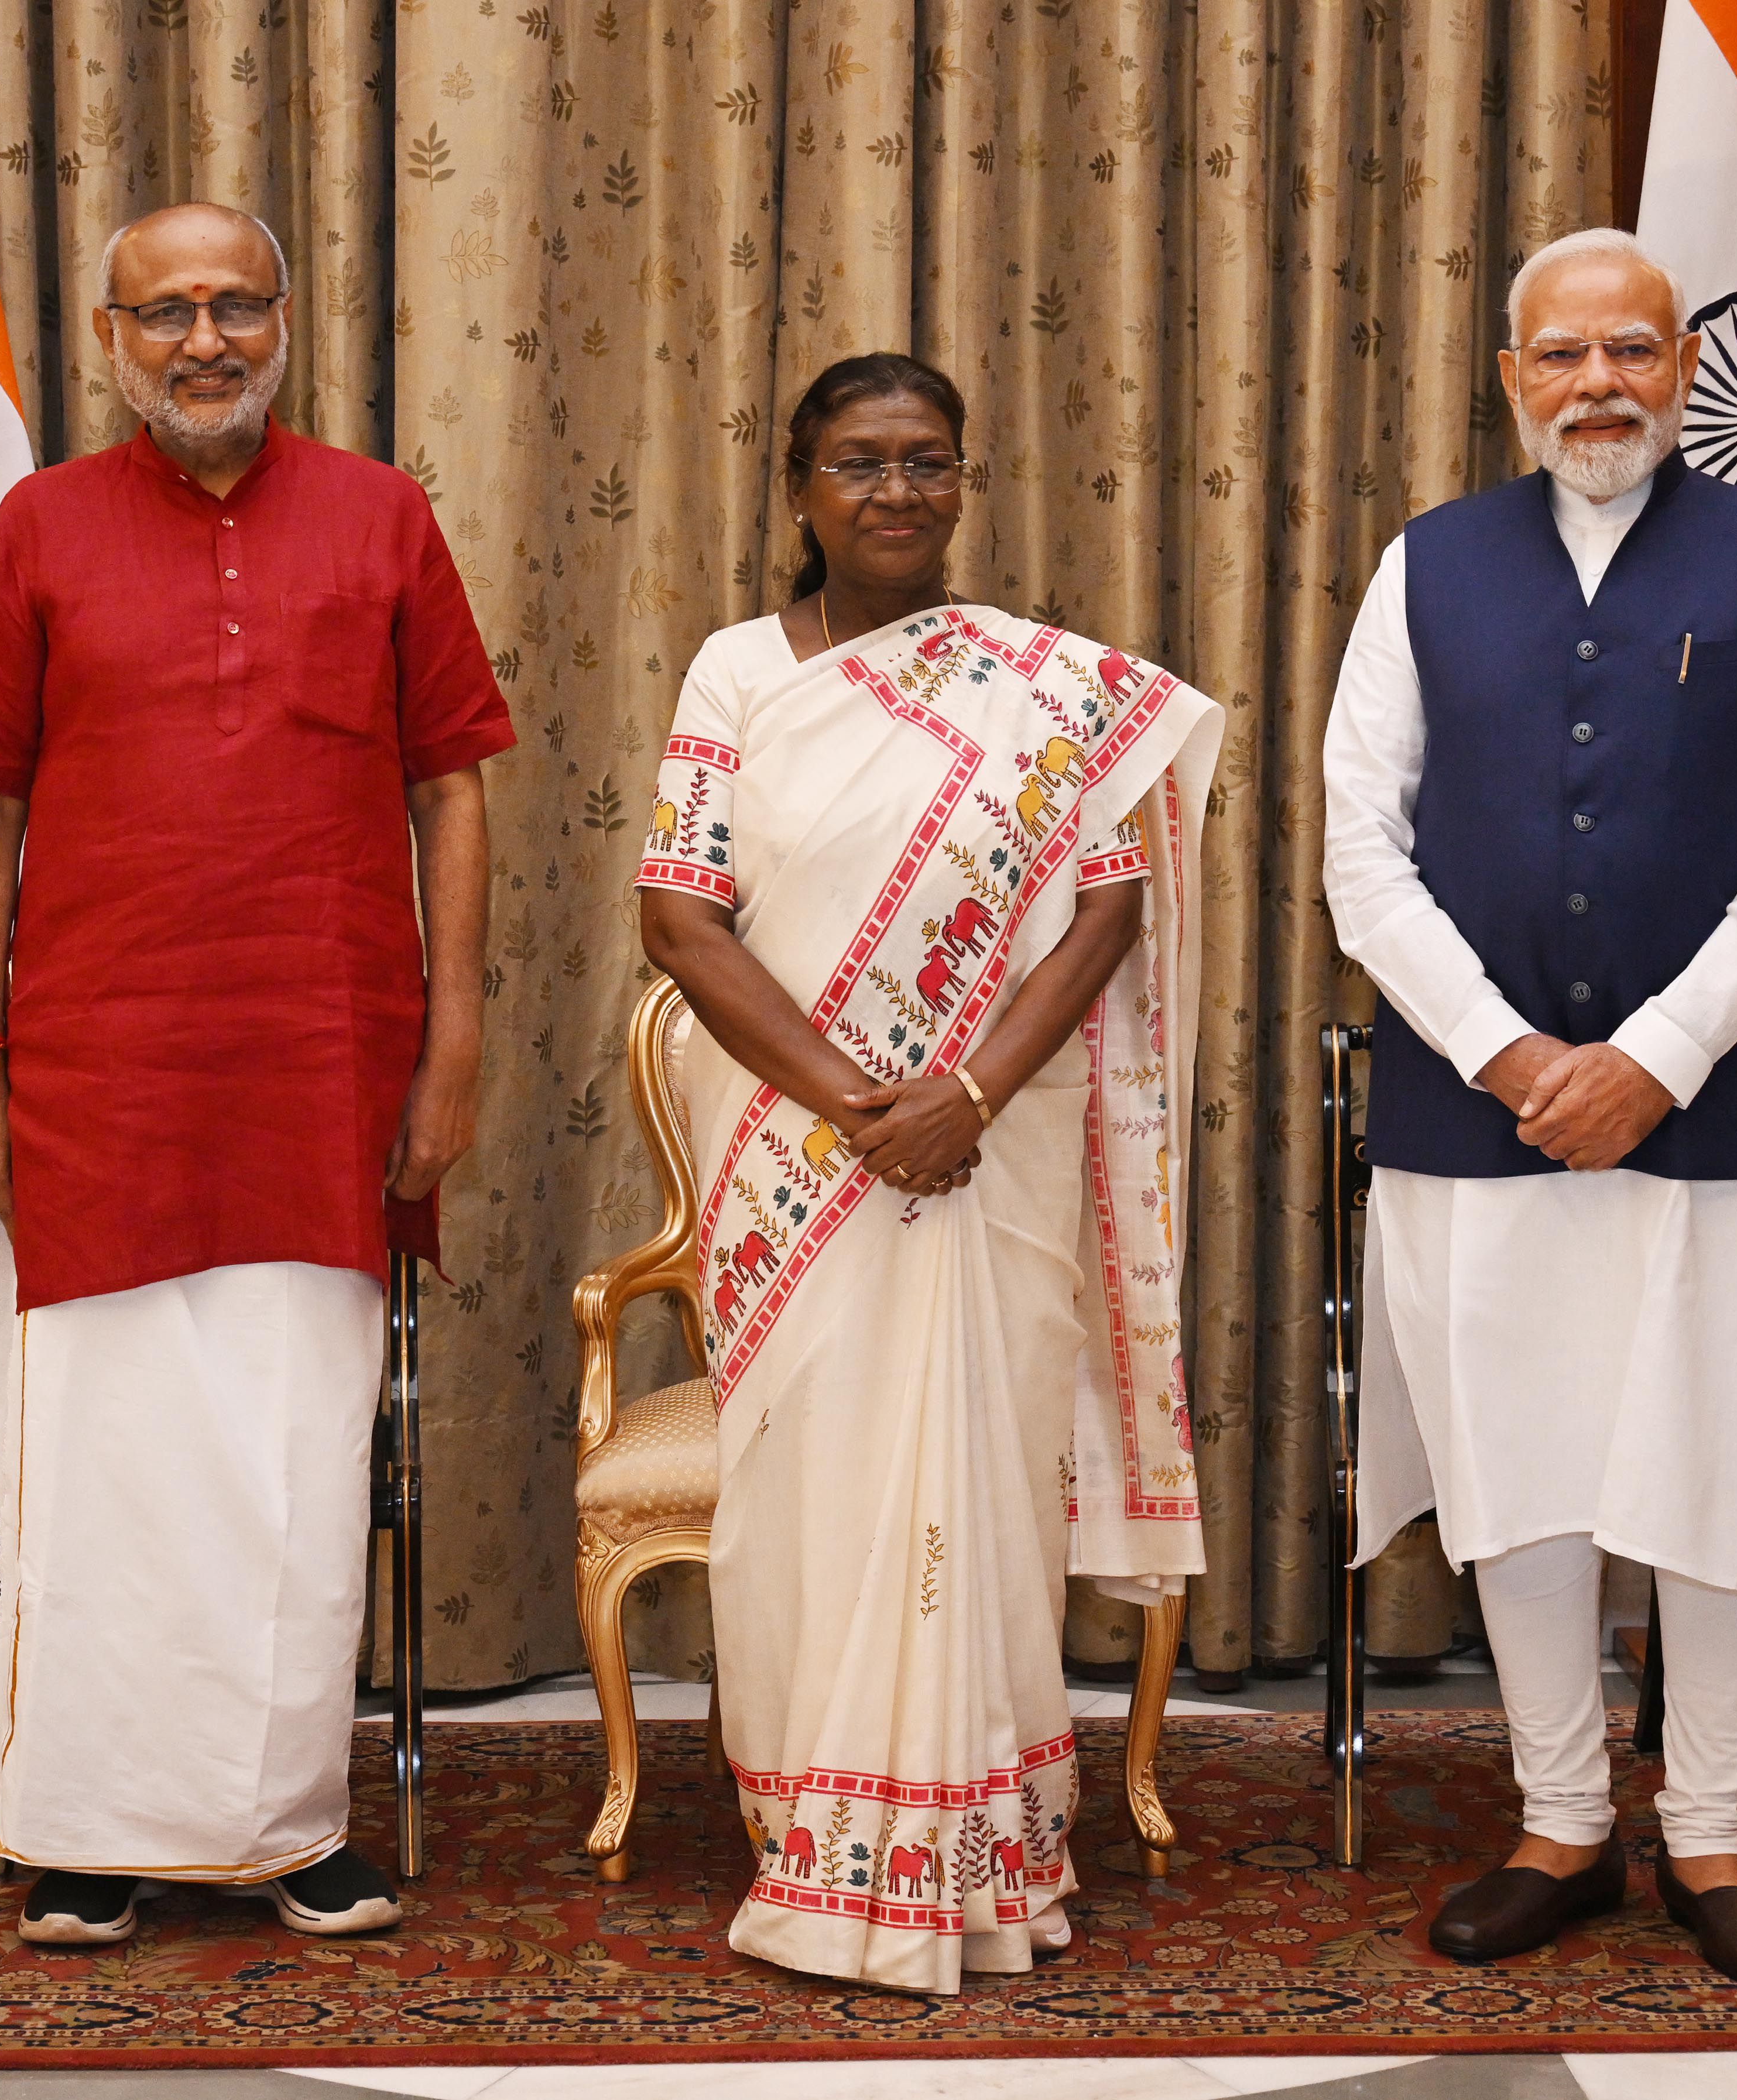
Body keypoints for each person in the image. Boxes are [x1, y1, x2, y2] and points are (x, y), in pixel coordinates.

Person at [0, 203, 513, 1945]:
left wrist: (453, 1041)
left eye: (236, 304)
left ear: (285, 321)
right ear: (110, 340)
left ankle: (284, 1824)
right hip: (94, 1071)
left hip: (324, 1064)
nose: (204, 340)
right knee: (102, 1457)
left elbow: (452, 786)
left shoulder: (381, 516)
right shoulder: (42, 526)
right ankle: (88, 1833)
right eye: (165, 311)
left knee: (293, 1456)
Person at [1323, 227, 1737, 1986]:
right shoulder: (1424, 565)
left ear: (1687, 366)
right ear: (1511, 378)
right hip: (1476, 1114)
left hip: (1722, 1108)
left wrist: (1659, 1054)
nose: (1598, 385)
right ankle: (1559, 1819)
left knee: (1723, 1458)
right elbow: (1359, 847)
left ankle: (1710, 1828)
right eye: (1562, 355)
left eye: (1632, 350)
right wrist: (1508, 1055)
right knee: (1519, 1462)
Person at [637, 354, 1222, 1994]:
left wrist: (964, 1095)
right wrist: (863, 1108)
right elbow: (679, 916)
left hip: (992, 1155)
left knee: (979, 1482)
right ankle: (823, 1845)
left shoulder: (1047, 690)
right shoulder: (737, 672)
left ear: (965, 481)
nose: (895, 489)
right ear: (799, 488)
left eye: (926, 460)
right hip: (797, 1157)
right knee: (814, 1493)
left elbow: (1107, 908)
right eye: (858, 461)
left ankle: (982, 1846)